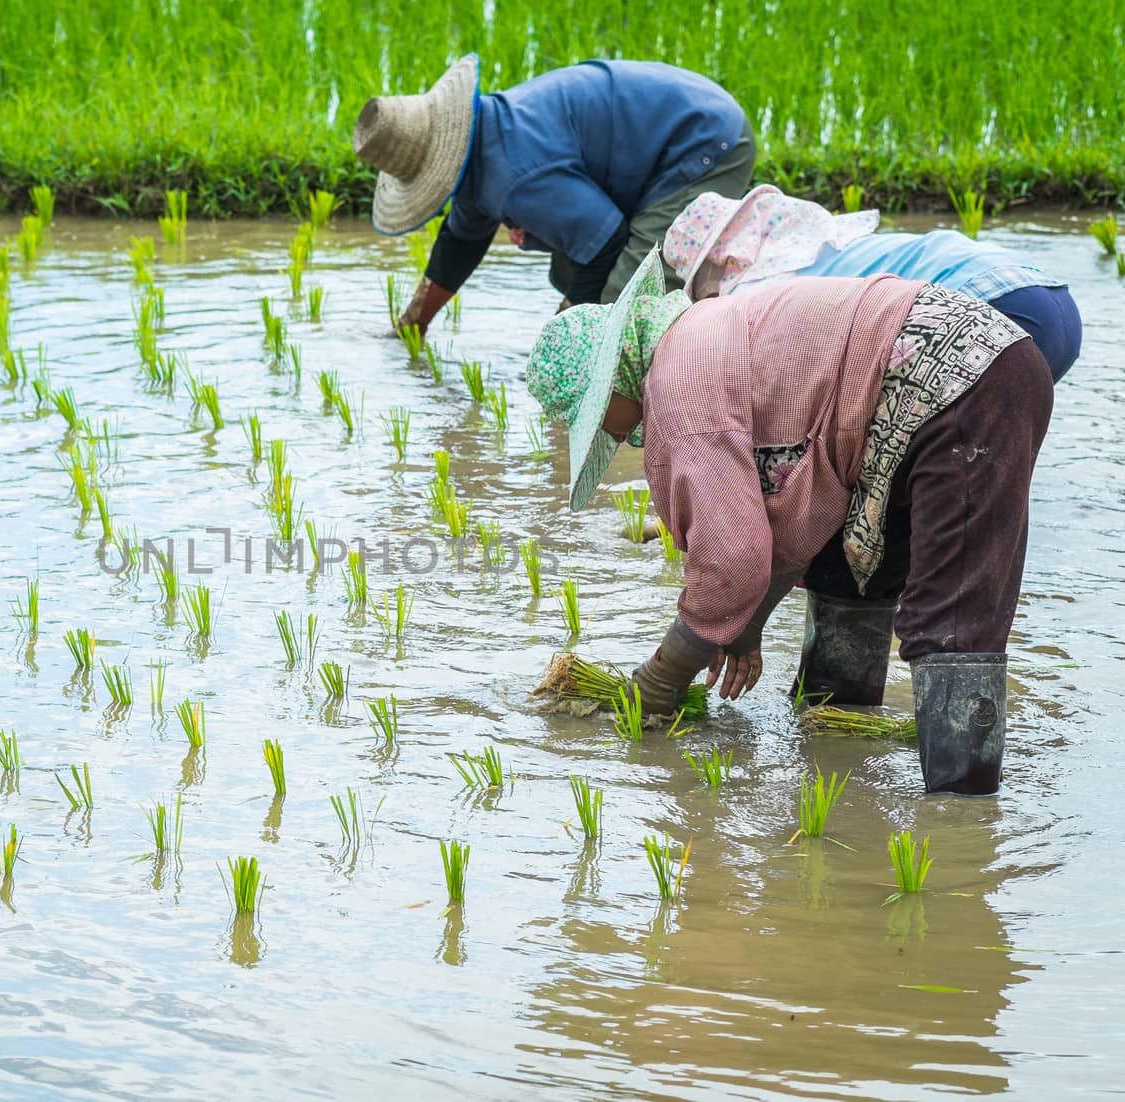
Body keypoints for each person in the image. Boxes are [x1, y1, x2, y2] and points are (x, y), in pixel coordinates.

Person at [525, 248, 1053, 796]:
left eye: (588, 418)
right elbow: (788, 517)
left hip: (961, 384)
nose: (606, 435)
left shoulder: (676, 380)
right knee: (847, 567)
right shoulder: (700, 339)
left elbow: (731, 559)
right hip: (952, 383)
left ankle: (960, 820)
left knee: (951, 618)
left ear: (608, 384)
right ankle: (841, 740)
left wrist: (659, 683)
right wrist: (746, 626)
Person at [351, 55, 755, 333]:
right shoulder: (484, 142)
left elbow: (606, 242)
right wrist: (411, 328)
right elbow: (458, 246)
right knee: (571, 269)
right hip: (657, 142)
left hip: (702, 141)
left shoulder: (513, 173)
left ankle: (702, 358)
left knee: (625, 307)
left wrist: (563, 341)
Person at [662, 185, 1084, 381]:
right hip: (1051, 299)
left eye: (702, 289)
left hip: (987, 310)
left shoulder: (760, 293)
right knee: (984, 462)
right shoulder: (821, 247)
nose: (709, 301)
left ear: (721, 263)